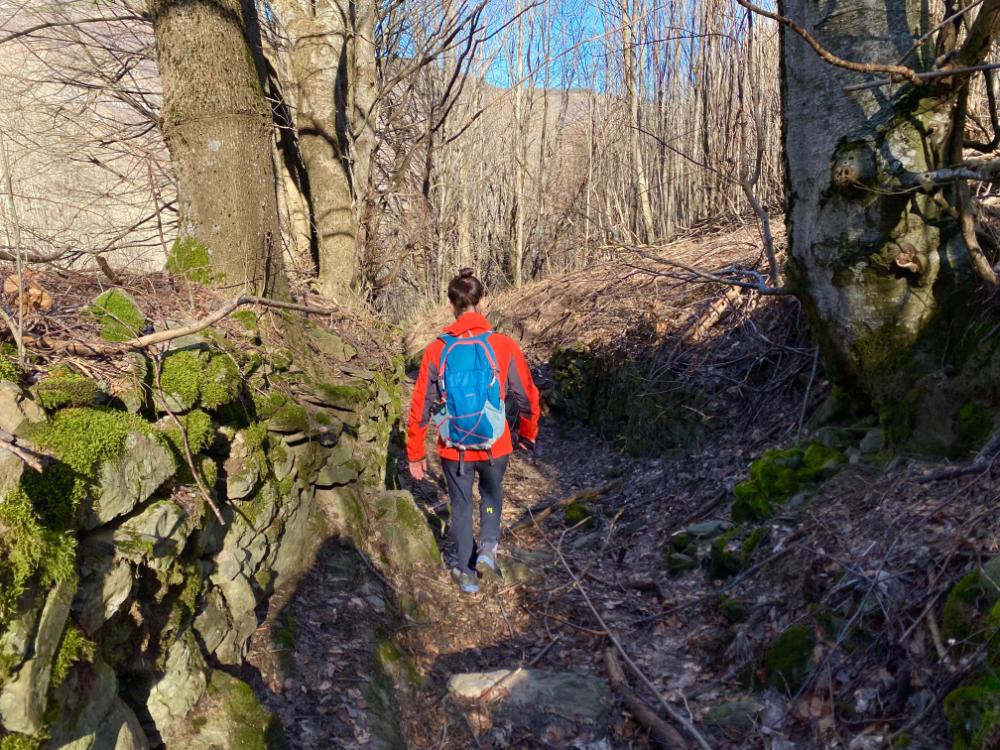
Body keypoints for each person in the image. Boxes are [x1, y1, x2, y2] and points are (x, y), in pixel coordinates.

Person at [407, 268, 541, 594]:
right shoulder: (503, 344)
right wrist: (528, 432)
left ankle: (467, 574)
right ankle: (488, 549)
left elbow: (421, 404)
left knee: (462, 504)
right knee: (492, 496)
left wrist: (414, 453)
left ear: (451, 304)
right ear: (482, 302)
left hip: (454, 446)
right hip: (495, 443)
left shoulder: (437, 349)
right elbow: (526, 393)